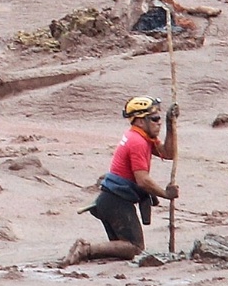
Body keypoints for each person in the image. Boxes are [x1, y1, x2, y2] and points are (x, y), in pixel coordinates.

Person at [63, 96, 178, 264]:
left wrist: (171, 124)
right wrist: (166, 194)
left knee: (121, 251)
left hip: (111, 200)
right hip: (115, 201)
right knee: (134, 247)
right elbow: (142, 180)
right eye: (154, 119)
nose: (158, 123)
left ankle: (86, 252)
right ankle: (85, 249)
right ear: (139, 121)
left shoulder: (143, 137)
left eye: (159, 118)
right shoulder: (137, 141)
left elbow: (168, 153)